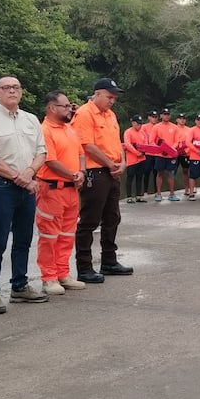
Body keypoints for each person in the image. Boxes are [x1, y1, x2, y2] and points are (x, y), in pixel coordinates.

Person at [0, 74, 49, 314]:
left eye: (16, 87)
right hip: (1, 186)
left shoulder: (31, 119)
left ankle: (19, 285)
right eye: (6, 87)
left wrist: (29, 173)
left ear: (21, 91)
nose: (11, 91)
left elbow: (41, 152)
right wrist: (21, 178)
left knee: (24, 239)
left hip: (28, 185)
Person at [72, 77, 133, 283]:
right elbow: (87, 145)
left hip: (112, 171)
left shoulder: (111, 115)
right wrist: (109, 164)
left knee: (112, 217)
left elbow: (117, 142)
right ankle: (84, 266)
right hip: (95, 172)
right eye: (109, 96)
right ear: (97, 94)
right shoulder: (84, 114)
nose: (112, 101)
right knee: (89, 220)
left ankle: (109, 260)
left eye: (114, 97)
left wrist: (122, 162)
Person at [36, 91, 88, 295]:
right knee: (49, 236)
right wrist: (73, 175)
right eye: (65, 106)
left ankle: (63, 273)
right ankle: (49, 278)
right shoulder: (45, 130)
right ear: (51, 108)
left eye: (70, 106)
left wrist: (81, 172)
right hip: (52, 189)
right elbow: (50, 160)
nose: (70, 109)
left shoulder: (69, 129)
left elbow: (80, 153)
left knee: (67, 234)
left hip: (71, 190)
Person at [151, 108, 181, 202]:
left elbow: (177, 141)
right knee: (159, 173)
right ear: (161, 116)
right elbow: (151, 141)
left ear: (170, 116)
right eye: (164, 114)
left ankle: (172, 194)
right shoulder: (156, 127)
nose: (166, 116)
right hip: (160, 154)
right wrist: (161, 150)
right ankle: (158, 194)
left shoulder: (175, 127)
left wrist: (169, 149)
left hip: (171, 154)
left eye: (168, 114)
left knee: (171, 174)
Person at [122, 114, 151, 202]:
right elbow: (128, 144)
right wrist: (136, 152)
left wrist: (143, 151)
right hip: (132, 159)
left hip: (142, 158)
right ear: (133, 123)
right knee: (130, 177)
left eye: (141, 124)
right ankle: (129, 196)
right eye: (138, 124)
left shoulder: (142, 132)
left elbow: (146, 142)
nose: (140, 126)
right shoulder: (128, 132)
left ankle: (139, 195)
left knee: (140, 177)